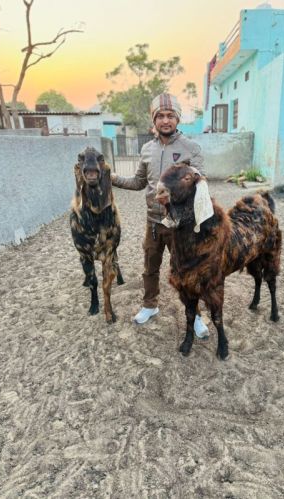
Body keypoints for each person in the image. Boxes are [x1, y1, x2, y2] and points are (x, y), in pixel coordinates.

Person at [111, 93, 209, 338]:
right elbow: (138, 182)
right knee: (149, 269)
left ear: (177, 119)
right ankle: (150, 306)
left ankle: (195, 316)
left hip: (180, 225)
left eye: (170, 116)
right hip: (153, 222)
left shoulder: (191, 148)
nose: (165, 121)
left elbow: (201, 185)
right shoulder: (147, 149)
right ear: (153, 120)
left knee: (186, 272)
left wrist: (177, 197)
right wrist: (112, 178)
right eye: (161, 116)